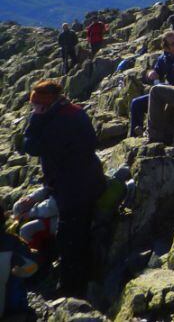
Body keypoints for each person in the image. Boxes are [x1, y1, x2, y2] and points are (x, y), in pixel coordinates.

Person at [20, 80, 105, 297]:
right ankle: (78, 280)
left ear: (46, 103)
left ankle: (71, 289)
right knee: (78, 233)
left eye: (36, 105)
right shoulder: (74, 111)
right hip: (90, 180)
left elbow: (30, 145)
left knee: (70, 238)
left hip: (73, 188)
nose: (34, 109)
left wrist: (36, 118)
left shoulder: (57, 122)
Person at [128, 31, 174, 136]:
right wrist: (151, 74)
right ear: (167, 48)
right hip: (166, 92)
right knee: (136, 103)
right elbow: (156, 72)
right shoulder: (165, 57)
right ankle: (135, 137)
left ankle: (154, 133)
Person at [0, 205, 38, 315]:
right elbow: (32, 268)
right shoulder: (12, 242)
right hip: (7, 310)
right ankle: (17, 308)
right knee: (19, 271)